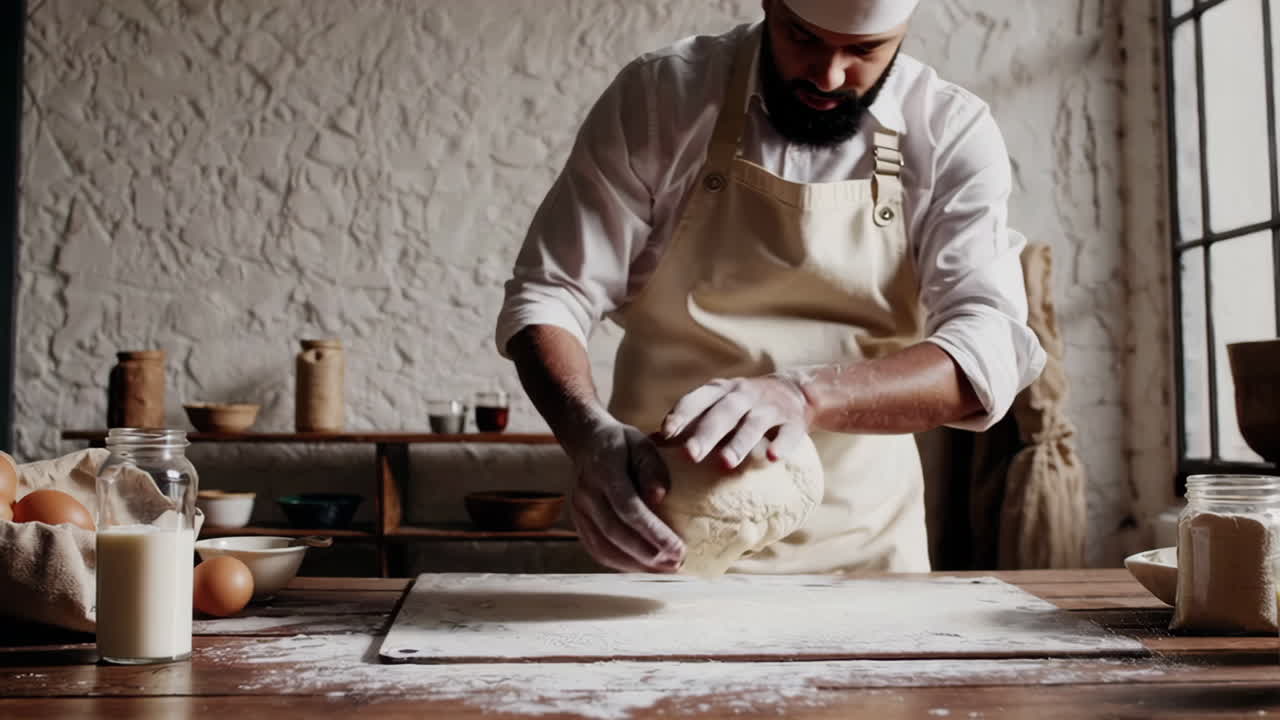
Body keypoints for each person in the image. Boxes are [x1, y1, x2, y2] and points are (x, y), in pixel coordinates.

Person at [495, 0, 1046, 575]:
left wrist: (804, 396)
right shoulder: (663, 97)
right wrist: (586, 436)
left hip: (863, 558)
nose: (829, 75)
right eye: (802, 37)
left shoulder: (948, 131)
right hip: (658, 532)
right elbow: (550, 292)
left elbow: (986, 351)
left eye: (863, 51)